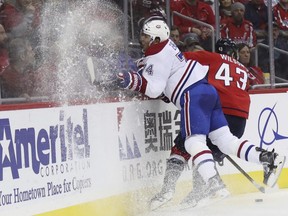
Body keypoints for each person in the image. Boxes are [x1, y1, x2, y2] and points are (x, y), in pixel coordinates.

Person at [117, 19, 286, 209]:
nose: (142, 39)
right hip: (220, 101)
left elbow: (158, 84)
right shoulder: (241, 68)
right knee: (224, 141)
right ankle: (268, 159)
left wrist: (130, 78)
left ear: (156, 38)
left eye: (146, 36)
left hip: (196, 97)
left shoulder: (208, 57)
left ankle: (212, 184)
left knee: (192, 142)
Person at [149, 38, 252, 210]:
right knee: (206, 153)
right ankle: (199, 193)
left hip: (210, 112)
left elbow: (179, 59)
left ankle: (169, 190)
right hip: (238, 121)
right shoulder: (243, 69)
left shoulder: (211, 58)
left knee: (186, 148)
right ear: (233, 53)